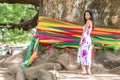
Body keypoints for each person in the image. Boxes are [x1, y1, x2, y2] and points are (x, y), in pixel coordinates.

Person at [77, 10, 94, 75]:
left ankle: (84, 70)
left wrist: (81, 40)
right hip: (88, 39)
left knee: (83, 54)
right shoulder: (89, 22)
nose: (86, 16)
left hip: (85, 39)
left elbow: (84, 31)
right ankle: (88, 70)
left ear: (90, 16)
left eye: (87, 14)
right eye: (85, 15)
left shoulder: (88, 21)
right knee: (87, 54)